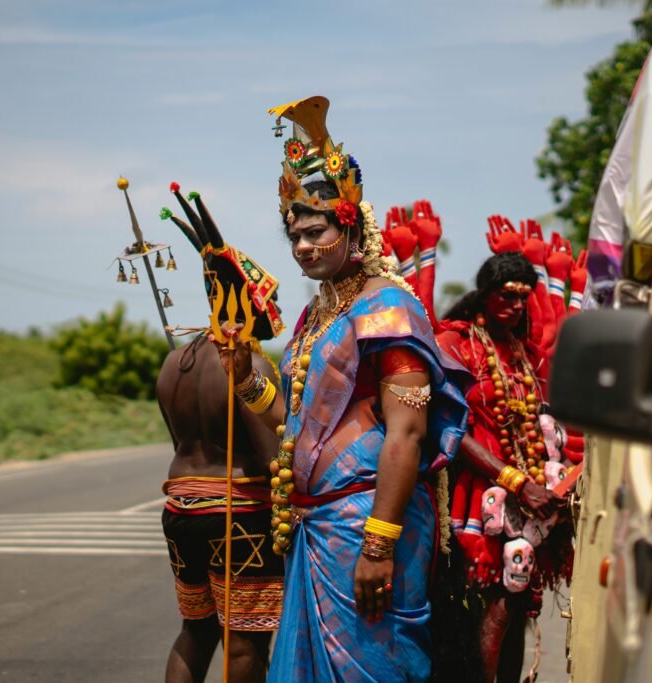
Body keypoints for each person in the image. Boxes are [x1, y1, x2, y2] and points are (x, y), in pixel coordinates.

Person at [211, 96, 469, 682]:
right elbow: (293, 426)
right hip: (318, 528)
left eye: (316, 230)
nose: (303, 245)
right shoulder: (314, 321)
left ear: (350, 225)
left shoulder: (387, 308)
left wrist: (378, 546)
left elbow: (407, 430)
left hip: (370, 529)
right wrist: (247, 372)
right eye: (295, 235)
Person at [155, 182, 289, 683]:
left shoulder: (173, 363)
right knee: (246, 637)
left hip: (181, 507)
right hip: (237, 511)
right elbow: (274, 454)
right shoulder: (249, 364)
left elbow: (180, 441)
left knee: (197, 628)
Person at [436, 249, 576, 683]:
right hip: (476, 498)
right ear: (484, 295)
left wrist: (560, 479)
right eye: (506, 294)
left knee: (516, 608)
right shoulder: (455, 345)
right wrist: (515, 482)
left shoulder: (525, 353)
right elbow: (450, 429)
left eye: (523, 296)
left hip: (530, 500)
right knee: (490, 612)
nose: (516, 305)